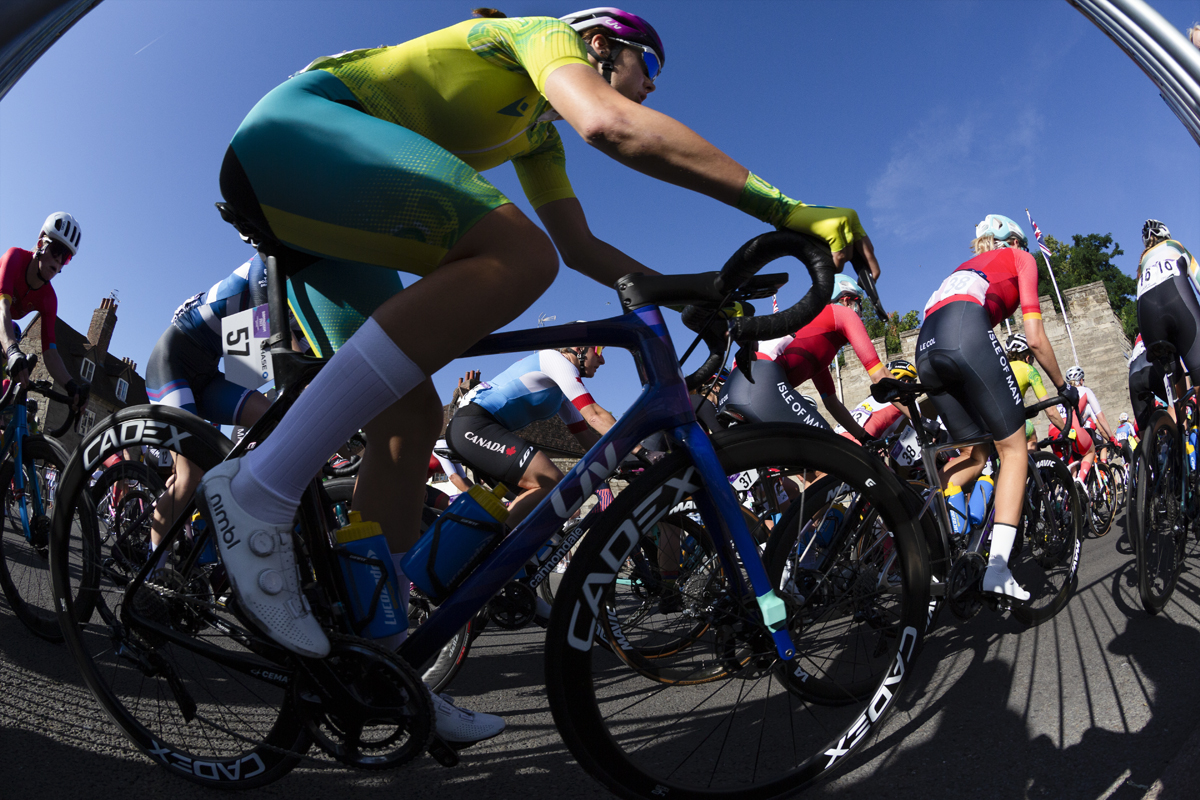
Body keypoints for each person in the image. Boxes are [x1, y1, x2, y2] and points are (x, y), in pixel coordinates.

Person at [915, 214, 1074, 601]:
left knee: (974, 453)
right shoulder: (1021, 260)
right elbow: (1034, 338)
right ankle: (998, 569)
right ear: (1016, 242)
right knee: (1014, 449)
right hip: (965, 333)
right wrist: (1062, 385)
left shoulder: (961, 269)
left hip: (925, 346)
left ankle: (936, 545)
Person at [145, 255, 282, 555]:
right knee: (190, 475)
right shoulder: (265, 263)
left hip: (207, 376)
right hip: (172, 363)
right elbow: (278, 346)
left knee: (272, 418)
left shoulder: (294, 293)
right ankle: (150, 564)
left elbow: (246, 374)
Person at [719, 273, 886, 440]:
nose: (862, 315)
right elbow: (881, 377)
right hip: (761, 381)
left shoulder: (817, 353)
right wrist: (911, 408)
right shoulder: (842, 313)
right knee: (830, 448)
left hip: (732, 387)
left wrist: (864, 437)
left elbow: (832, 404)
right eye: (860, 305)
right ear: (846, 300)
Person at [0, 213, 89, 413]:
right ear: (41, 243)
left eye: (65, 257)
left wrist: (71, 386)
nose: (58, 261)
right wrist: (13, 350)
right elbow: (2, 309)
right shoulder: (14, 258)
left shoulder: (49, 299)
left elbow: (50, 353)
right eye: (56, 250)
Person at [1134, 219, 1200, 411]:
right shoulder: (1175, 246)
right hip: (1177, 304)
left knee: (1174, 380)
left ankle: (1180, 426)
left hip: (1148, 319)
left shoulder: (1141, 267)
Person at [1004, 333, 1067, 452]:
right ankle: (1033, 468)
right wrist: (1066, 431)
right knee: (1031, 436)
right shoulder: (1029, 370)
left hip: (987, 426)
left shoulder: (999, 368)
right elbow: (1050, 411)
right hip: (1012, 424)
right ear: (1028, 357)